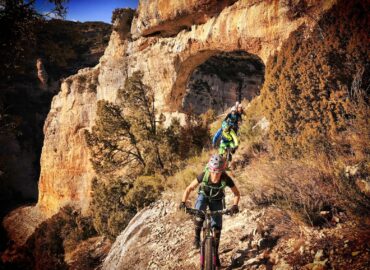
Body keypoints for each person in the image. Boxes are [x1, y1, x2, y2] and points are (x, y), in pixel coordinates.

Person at [180, 154, 240, 268]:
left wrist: (235, 205)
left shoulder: (226, 178)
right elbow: (189, 188)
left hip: (217, 200)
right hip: (204, 195)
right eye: (213, 171)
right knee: (198, 213)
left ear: (222, 170)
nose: (215, 174)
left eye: (218, 172)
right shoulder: (204, 175)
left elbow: (236, 193)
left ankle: (215, 252)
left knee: (217, 228)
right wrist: (183, 202)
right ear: (210, 169)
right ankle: (197, 237)